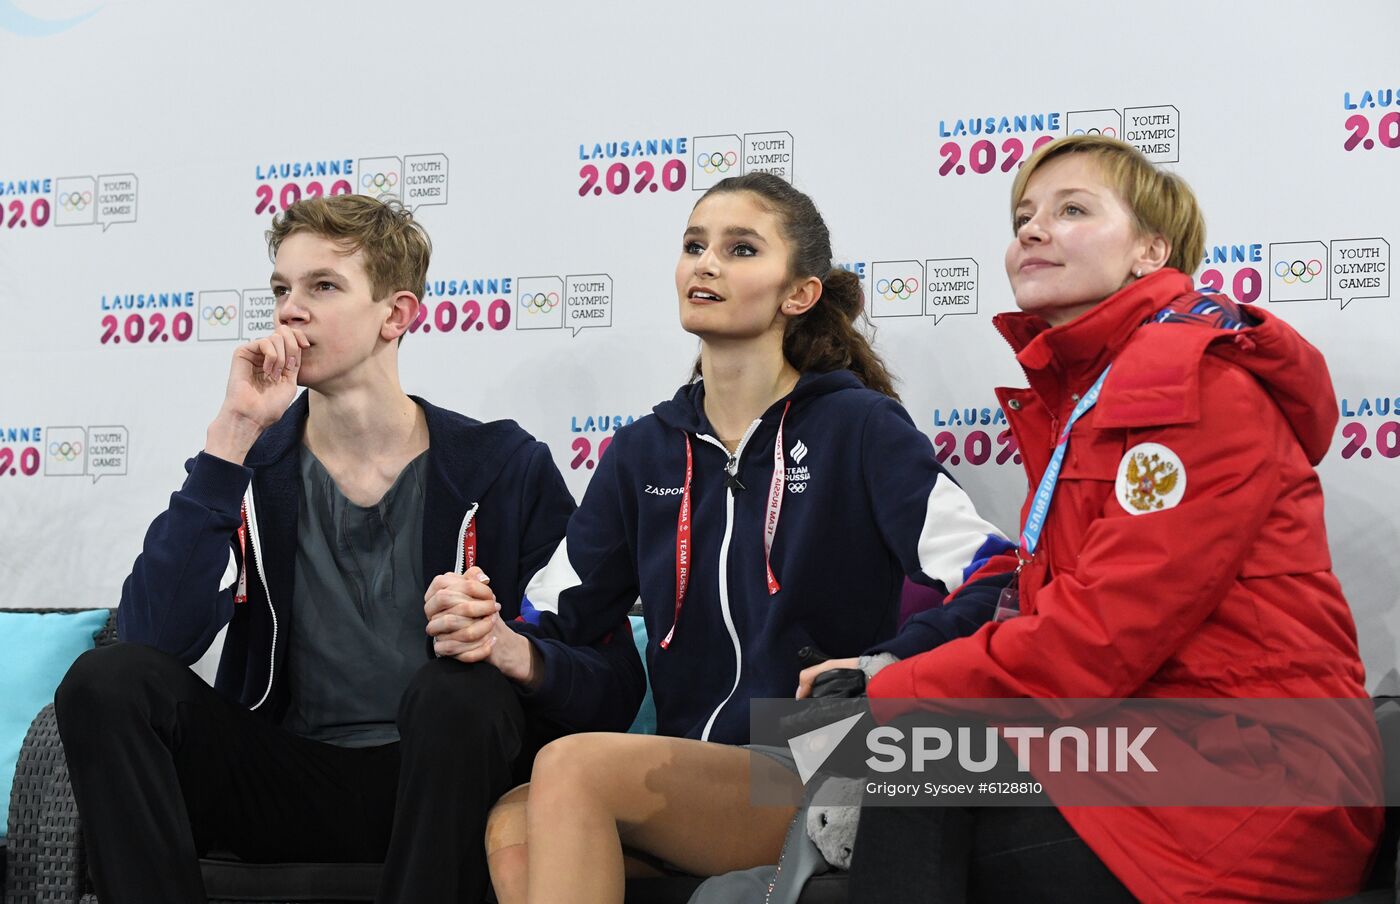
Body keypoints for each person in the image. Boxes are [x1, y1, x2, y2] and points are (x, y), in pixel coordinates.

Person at [846, 135, 1383, 902]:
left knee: (913, 766)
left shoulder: (1188, 384)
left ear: (1150, 251)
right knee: (912, 765)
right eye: (1024, 214)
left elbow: (1096, 640)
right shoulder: (1092, 390)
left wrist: (894, 688)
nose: (1032, 229)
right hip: (1148, 749)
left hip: (1258, 782)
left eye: (1072, 211)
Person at [52, 194, 614, 904]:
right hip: (285, 779)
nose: (291, 310)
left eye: (323, 287)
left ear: (397, 314)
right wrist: (232, 437)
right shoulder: (250, 469)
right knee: (105, 681)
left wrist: (508, 647)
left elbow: (606, 682)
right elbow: (149, 638)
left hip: (447, 783)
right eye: (282, 289)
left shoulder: (501, 466)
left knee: (461, 691)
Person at [471, 172, 1014, 903]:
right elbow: (554, 616)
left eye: (740, 248)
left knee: (569, 770)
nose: (706, 263)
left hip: (825, 757)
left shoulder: (858, 429)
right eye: (695, 245)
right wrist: (501, 634)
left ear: (799, 294)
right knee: (515, 820)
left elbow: (1000, 574)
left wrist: (887, 662)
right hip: (695, 768)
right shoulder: (643, 453)